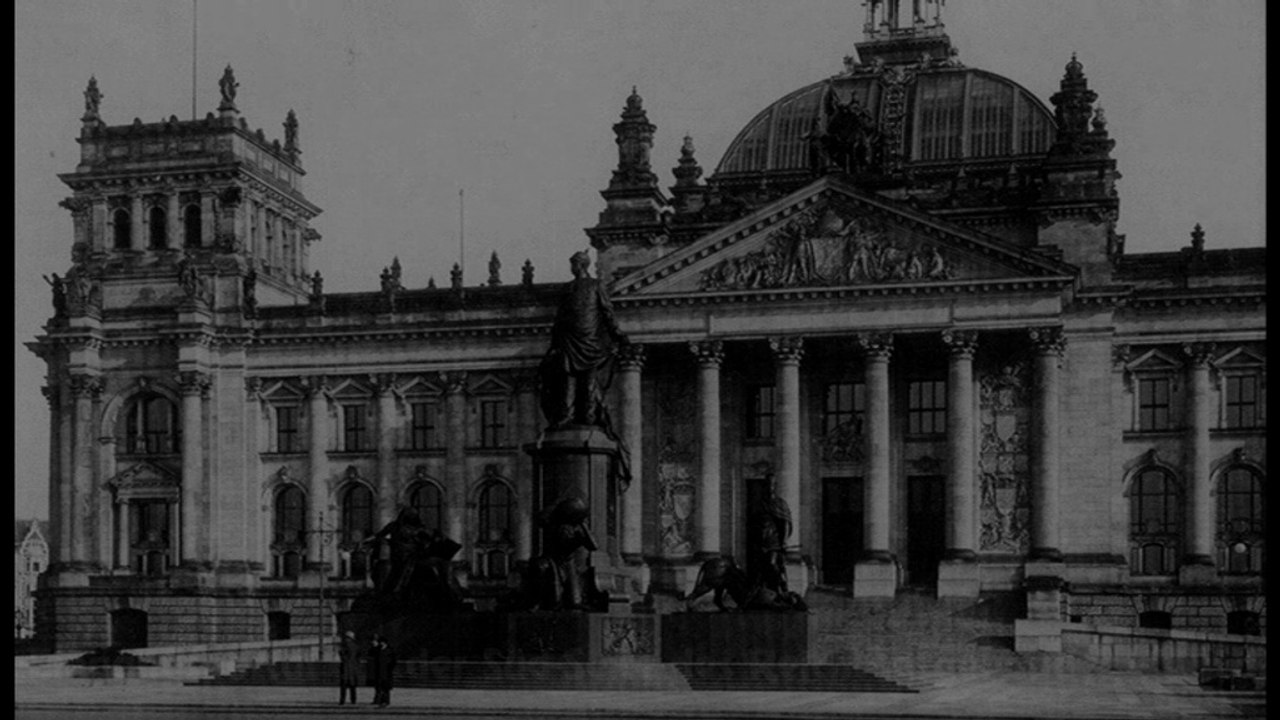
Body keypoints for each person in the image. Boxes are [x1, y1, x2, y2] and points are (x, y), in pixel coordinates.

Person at [538, 251, 627, 429]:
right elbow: (560, 317)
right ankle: (566, 415)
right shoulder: (567, 288)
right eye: (572, 264)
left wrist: (616, 333)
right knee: (567, 379)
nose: (572, 267)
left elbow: (607, 311)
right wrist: (555, 344)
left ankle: (589, 416)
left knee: (588, 382)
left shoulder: (596, 285)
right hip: (569, 340)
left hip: (590, 340)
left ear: (581, 265)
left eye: (574, 264)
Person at [337, 630, 360, 705]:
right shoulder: (356, 646)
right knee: (352, 686)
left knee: (343, 686)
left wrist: (341, 653)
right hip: (353, 668)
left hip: (346, 667)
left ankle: (342, 700)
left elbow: (343, 656)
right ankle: (353, 700)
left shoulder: (345, 646)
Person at [373, 635, 397, 707]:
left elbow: (394, 661)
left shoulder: (390, 650)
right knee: (380, 687)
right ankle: (381, 701)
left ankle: (386, 701)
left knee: (386, 687)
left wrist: (390, 668)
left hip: (387, 671)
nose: (380, 643)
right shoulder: (378, 650)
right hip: (379, 671)